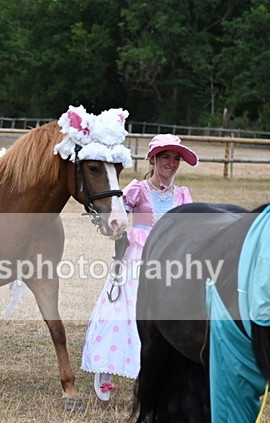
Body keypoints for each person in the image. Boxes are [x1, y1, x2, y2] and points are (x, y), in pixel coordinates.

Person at [82, 134, 198, 400]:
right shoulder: (138, 189)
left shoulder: (182, 195)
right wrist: (113, 226)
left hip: (170, 262)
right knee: (125, 312)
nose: (171, 163)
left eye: (176, 158)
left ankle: (159, 374)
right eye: (166, 157)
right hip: (138, 258)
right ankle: (107, 367)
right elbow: (116, 214)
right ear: (154, 159)